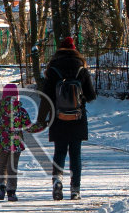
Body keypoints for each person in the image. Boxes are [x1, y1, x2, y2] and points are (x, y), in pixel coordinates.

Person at [38, 36, 96, 200]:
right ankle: (75, 190)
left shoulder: (53, 68)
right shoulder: (81, 68)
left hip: (58, 117)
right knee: (75, 154)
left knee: (60, 152)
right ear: (74, 49)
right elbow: (91, 96)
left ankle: (57, 182)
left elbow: (46, 97)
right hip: (77, 117)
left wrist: (42, 119)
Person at [0, 82, 35, 200]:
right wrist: (43, 125)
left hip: (2, 142)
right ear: (16, 95)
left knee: (2, 165)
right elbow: (29, 127)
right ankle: (11, 192)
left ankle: (1, 189)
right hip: (16, 143)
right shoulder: (20, 110)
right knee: (12, 167)